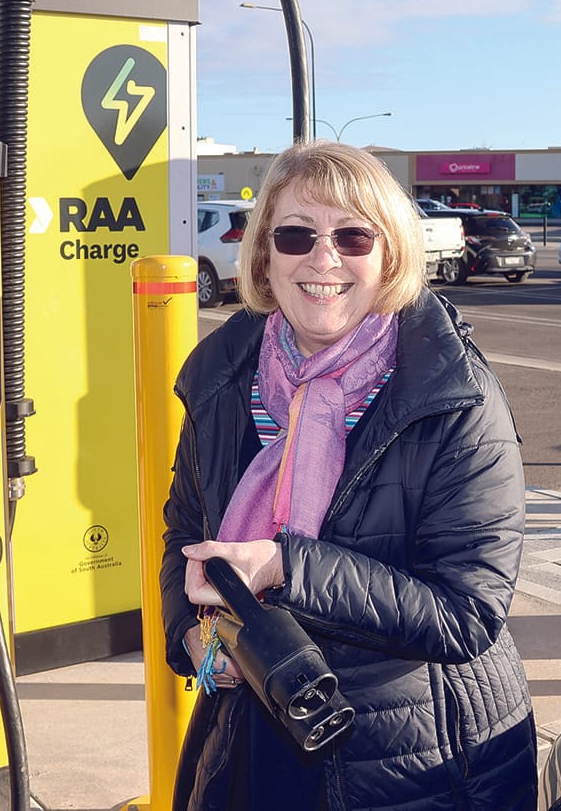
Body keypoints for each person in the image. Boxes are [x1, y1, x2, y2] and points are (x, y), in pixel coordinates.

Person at [161, 140, 536, 810]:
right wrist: (189, 636)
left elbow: (467, 612)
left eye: (353, 237)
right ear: (264, 255)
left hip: (414, 761)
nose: (324, 258)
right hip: (253, 734)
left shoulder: (456, 396)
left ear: (389, 254)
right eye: (297, 234)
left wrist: (285, 567)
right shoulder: (220, 381)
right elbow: (184, 530)